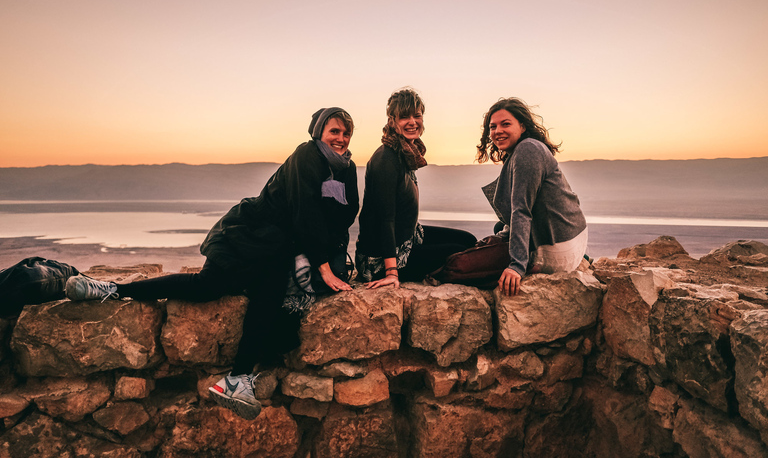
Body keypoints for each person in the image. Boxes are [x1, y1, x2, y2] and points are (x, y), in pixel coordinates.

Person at [64, 107, 359, 420]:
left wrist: (336, 260)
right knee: (207, 287)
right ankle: (111, 289)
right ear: (319, 133)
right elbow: (305, 211)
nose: (340, 139)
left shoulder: (347, 168)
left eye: (345, 133)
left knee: (268, 299)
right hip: (248, 235)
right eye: (334, 131)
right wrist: (323, 266)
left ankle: (236, 380)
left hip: (279, 249)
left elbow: (347, 214)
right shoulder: (307, 155)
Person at [355, 88, 477, 288]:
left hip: (409, 238)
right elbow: (384, 219)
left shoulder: (405, 152)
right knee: (459, 254)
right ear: (392, 120)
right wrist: (392, 272)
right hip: (380, 259)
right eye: (404, 117)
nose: (412, 122)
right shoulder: (386, 159)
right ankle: (436, 275)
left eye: (417, 116)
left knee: (468, 241)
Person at [477, 97, 588, 296]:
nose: (497, 131)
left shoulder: (527, 150)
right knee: (499, 230)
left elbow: (521, 210)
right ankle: (583, 258)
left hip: (557, 249)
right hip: (572, 238)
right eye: (493, 127)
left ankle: (541, 262)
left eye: (506, 124)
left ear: (523, 126)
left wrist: (517, 265)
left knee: (469, 266)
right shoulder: (524, 150)